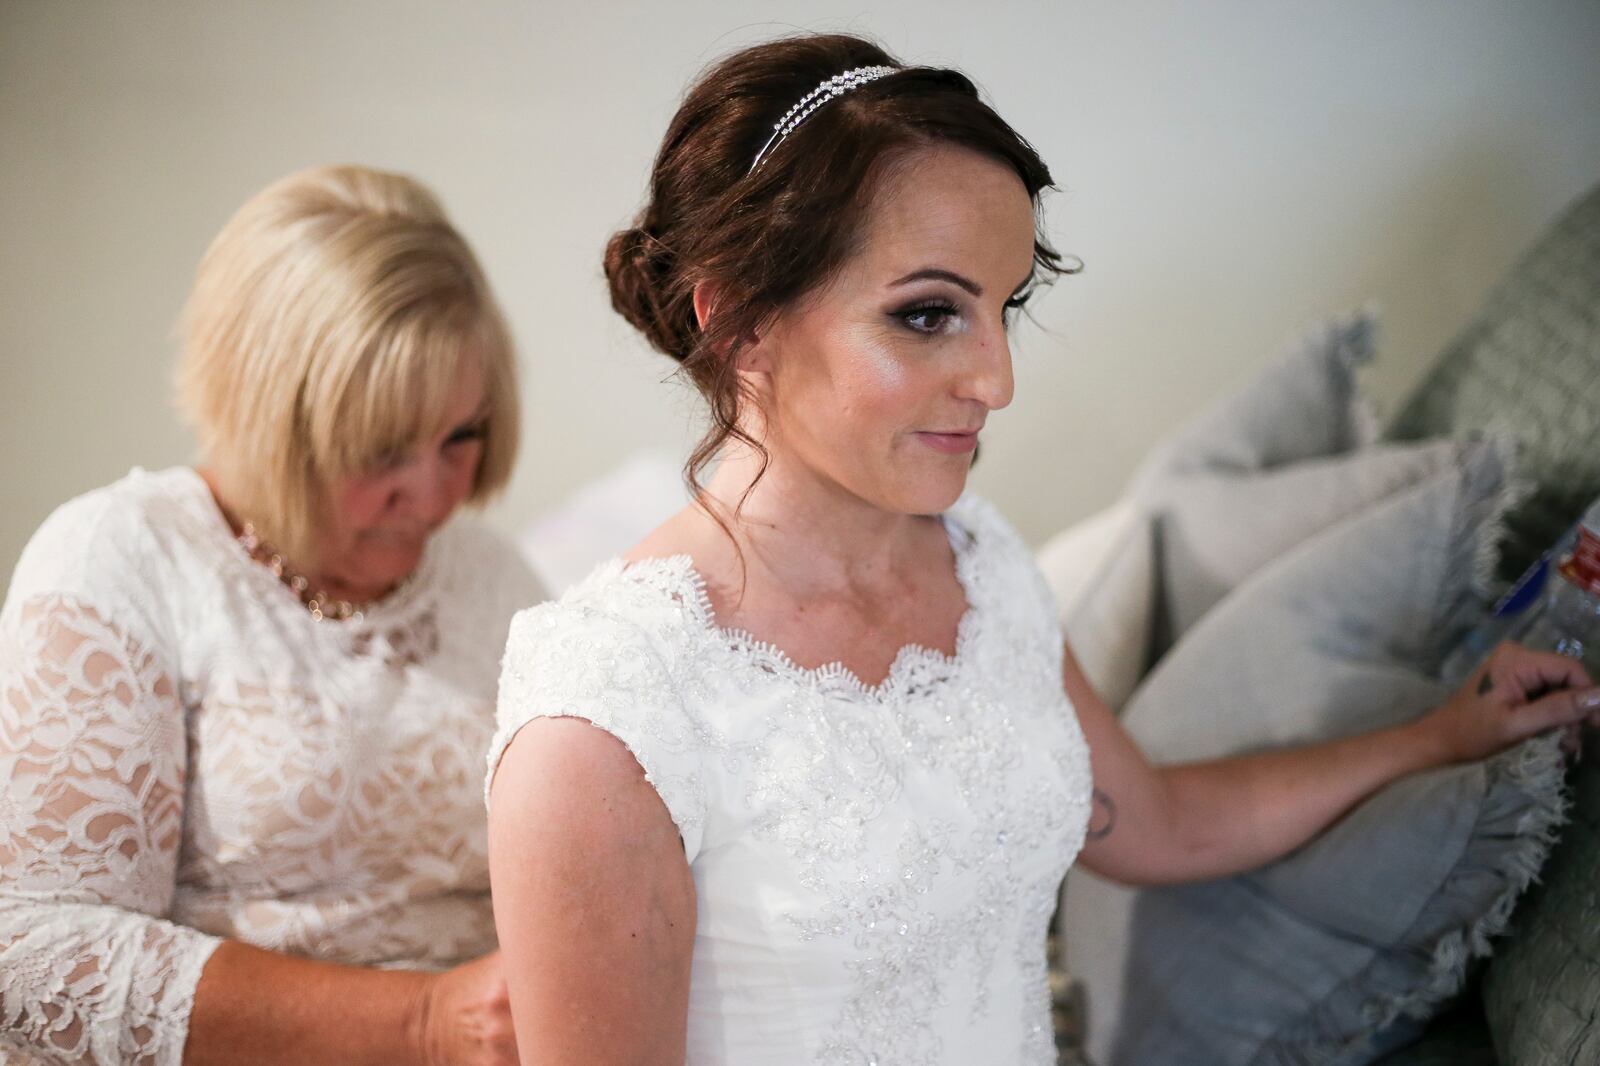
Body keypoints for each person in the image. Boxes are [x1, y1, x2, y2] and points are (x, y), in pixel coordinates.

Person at [484, 34, 1600, 1066]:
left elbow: (1158, 822)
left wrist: (1441, 733)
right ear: (737, 322)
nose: (996, 381)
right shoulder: (602, 717)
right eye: (927, 313)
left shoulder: (978, 561)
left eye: (1002, 308)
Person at [0, 164, 532, 1066]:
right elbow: (36, 958)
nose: (434, 494)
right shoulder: (123, 559)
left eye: (462, 436)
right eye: (381, 450)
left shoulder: (491, 575)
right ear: (265, 422)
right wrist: (426, 1024)